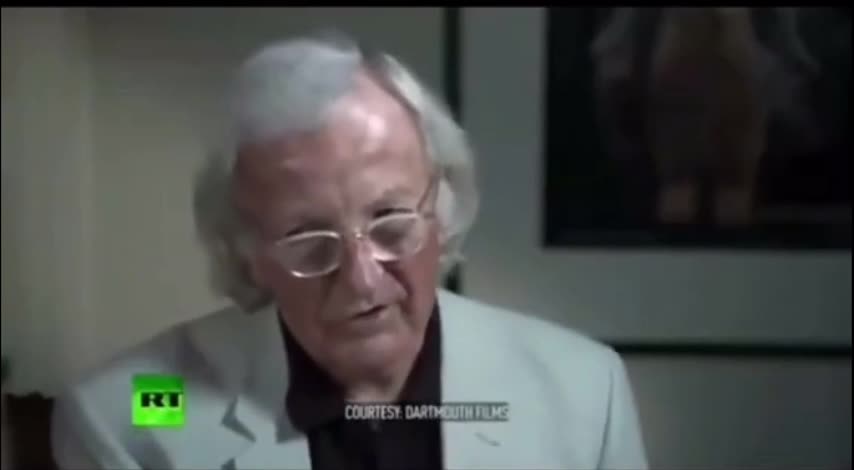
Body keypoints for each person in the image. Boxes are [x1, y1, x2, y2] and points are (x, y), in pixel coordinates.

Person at [50, 31, 648, 470]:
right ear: (249, 251)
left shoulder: (581, 390)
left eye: (390, 222)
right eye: (308, 240)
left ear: (441, 209)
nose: (362, 280)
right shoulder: (139, 410)